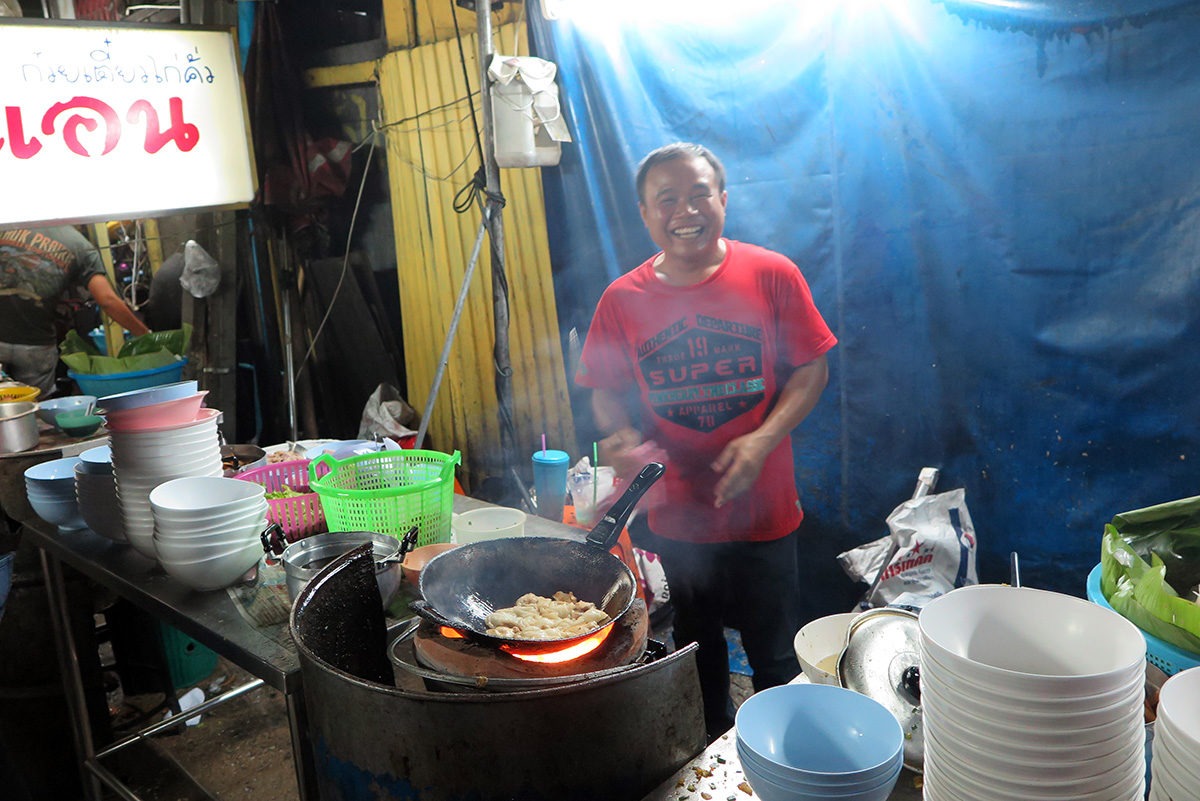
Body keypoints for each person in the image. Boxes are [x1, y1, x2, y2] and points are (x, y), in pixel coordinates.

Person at [575, 142, 837, 740]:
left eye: (699, 194)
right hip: (678, 517)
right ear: (645, 214)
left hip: (765, 511)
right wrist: (618, 435)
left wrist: (764, 437)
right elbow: (605, 390)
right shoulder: (623, 299)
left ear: (723, 199)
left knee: (775, 655)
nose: (684, 210)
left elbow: (812, 368)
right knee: (697, 646)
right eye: (666, 199)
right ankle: (713, 750)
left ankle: (782, 753)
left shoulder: (772, 274)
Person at [0, 225, 150, 397]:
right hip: (36, 346)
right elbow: (107, 300)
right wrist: (145, 335)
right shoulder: (80, 246)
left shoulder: (9, 223)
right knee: (35, 408)